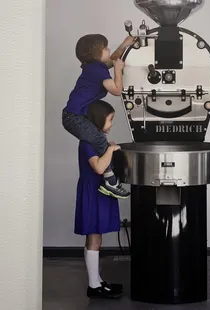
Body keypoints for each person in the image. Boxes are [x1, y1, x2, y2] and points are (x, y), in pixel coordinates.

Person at [62, 33, 135, 199]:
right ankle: (110, 180)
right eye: (105, 48)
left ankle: (109, 176)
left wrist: (125, 44)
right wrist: (118, 70)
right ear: (95, 53)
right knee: (100, 140)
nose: (109, 49)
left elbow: (113, 58)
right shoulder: (96, 70)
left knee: (98, 138)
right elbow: (117, 90)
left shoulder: (95, 67)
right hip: (74, 117)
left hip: (74, 116)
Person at [75, 100, 125, 299]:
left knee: (95, 238)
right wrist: (111, 151)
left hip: (98, 192)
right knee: (94, 238)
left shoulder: (96, 140)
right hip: (94, 192)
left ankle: (97, 281)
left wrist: (108, 148)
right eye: (110, 119)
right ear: (98, 119)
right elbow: (98, 167)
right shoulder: (87, 142)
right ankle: (94, 285)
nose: (111, 124)